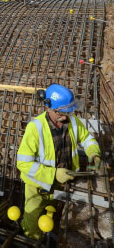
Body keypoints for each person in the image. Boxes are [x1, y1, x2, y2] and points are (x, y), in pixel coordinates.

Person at [17, 83, 101, 240]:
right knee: (33, 215)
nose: (66, 116)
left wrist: (93, 153)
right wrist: (53, 173)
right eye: (62, 112)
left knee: (53, 212)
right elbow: (22, 163)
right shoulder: (35, 128)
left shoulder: (72, 120)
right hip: (37, 185)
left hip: (62, 182)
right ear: (49, 107)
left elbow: (87, 138)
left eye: (69, 111)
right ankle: (32, 239)